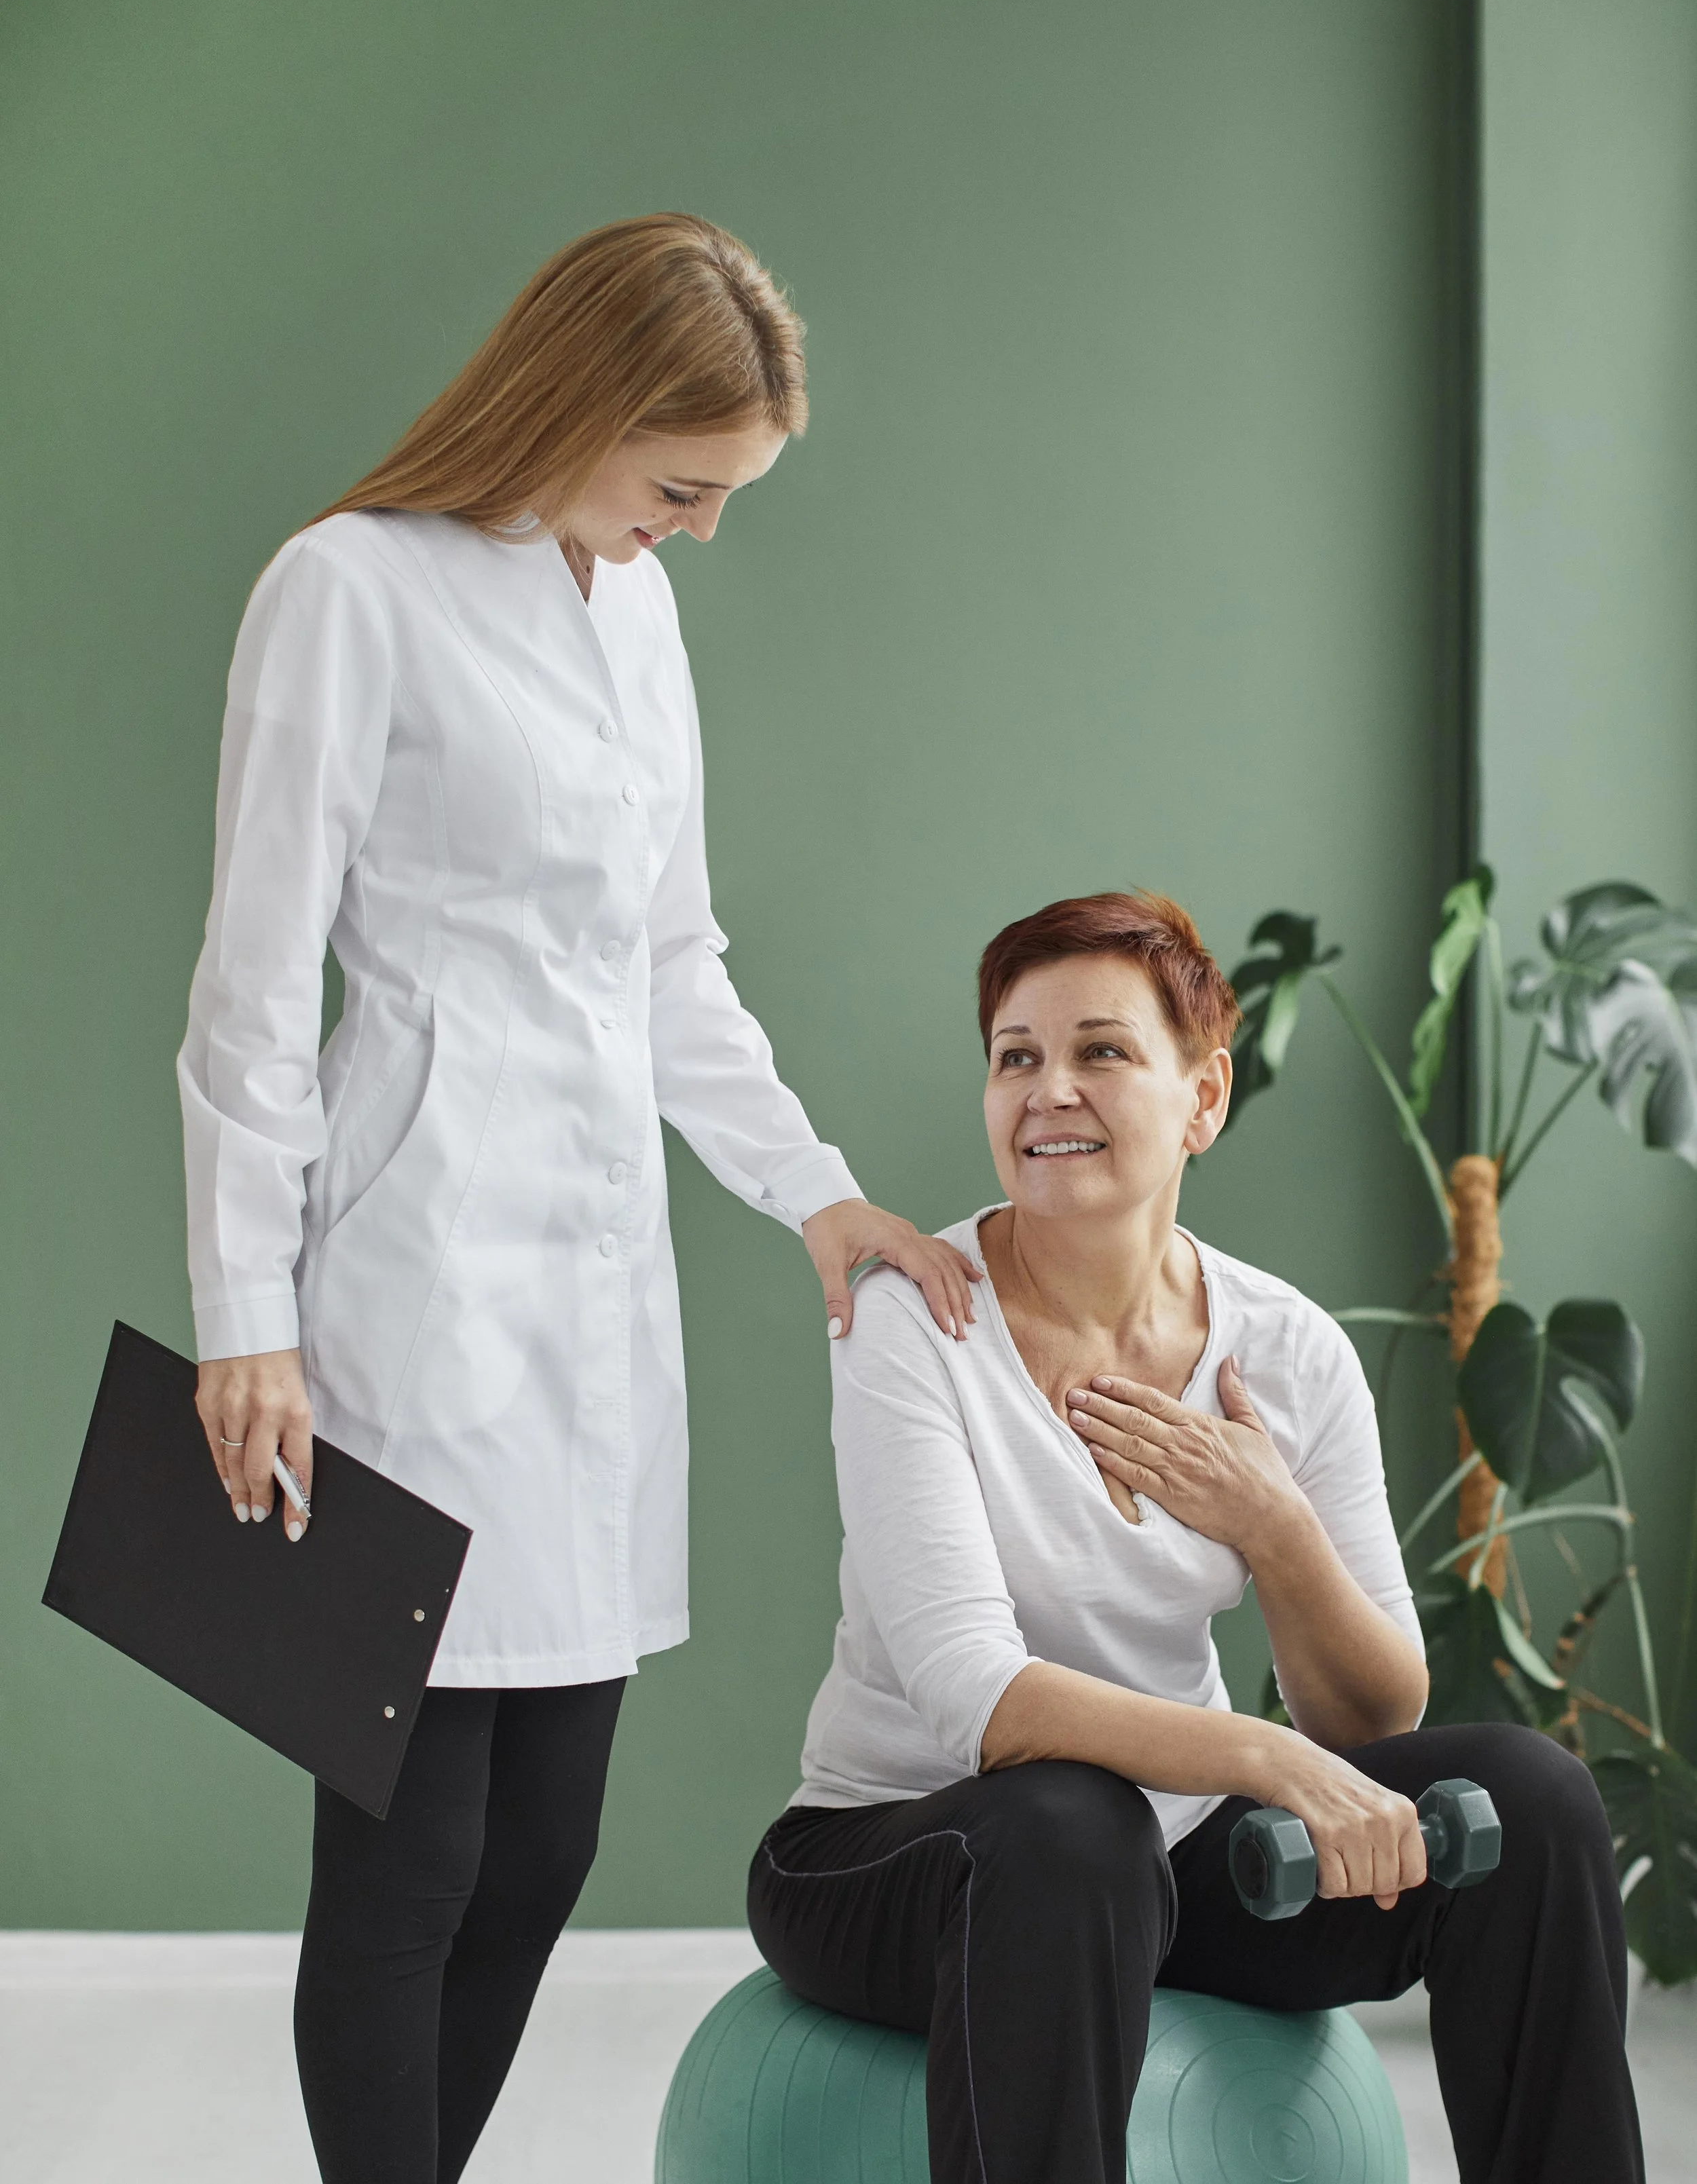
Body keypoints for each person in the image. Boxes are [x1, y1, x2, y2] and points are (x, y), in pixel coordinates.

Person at [176, 213, 980, 2184]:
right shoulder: (345, 590)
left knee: (545, 1842)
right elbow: (253, 992)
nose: (700, 529)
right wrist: (242, 1310)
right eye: (684, 485)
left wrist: (815, 1196)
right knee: (412, 1845)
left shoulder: (635, 610)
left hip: (594, 1297)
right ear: (584, 404)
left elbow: (668, 960)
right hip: (403, 1282)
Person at [748, 889, 1643, 2184]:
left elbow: (1377, 1714)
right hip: (895, 1853)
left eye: (1101, 1051)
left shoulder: (1287, 1349)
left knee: (1536, 1802)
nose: (1049, 1090)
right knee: (1069, 1826)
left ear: (1203, 1099)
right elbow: (973, 1699)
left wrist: (1275, 1534)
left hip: (1164, 1863)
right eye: (1016, 1058)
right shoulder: (917, 1317)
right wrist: (1261, 1756)